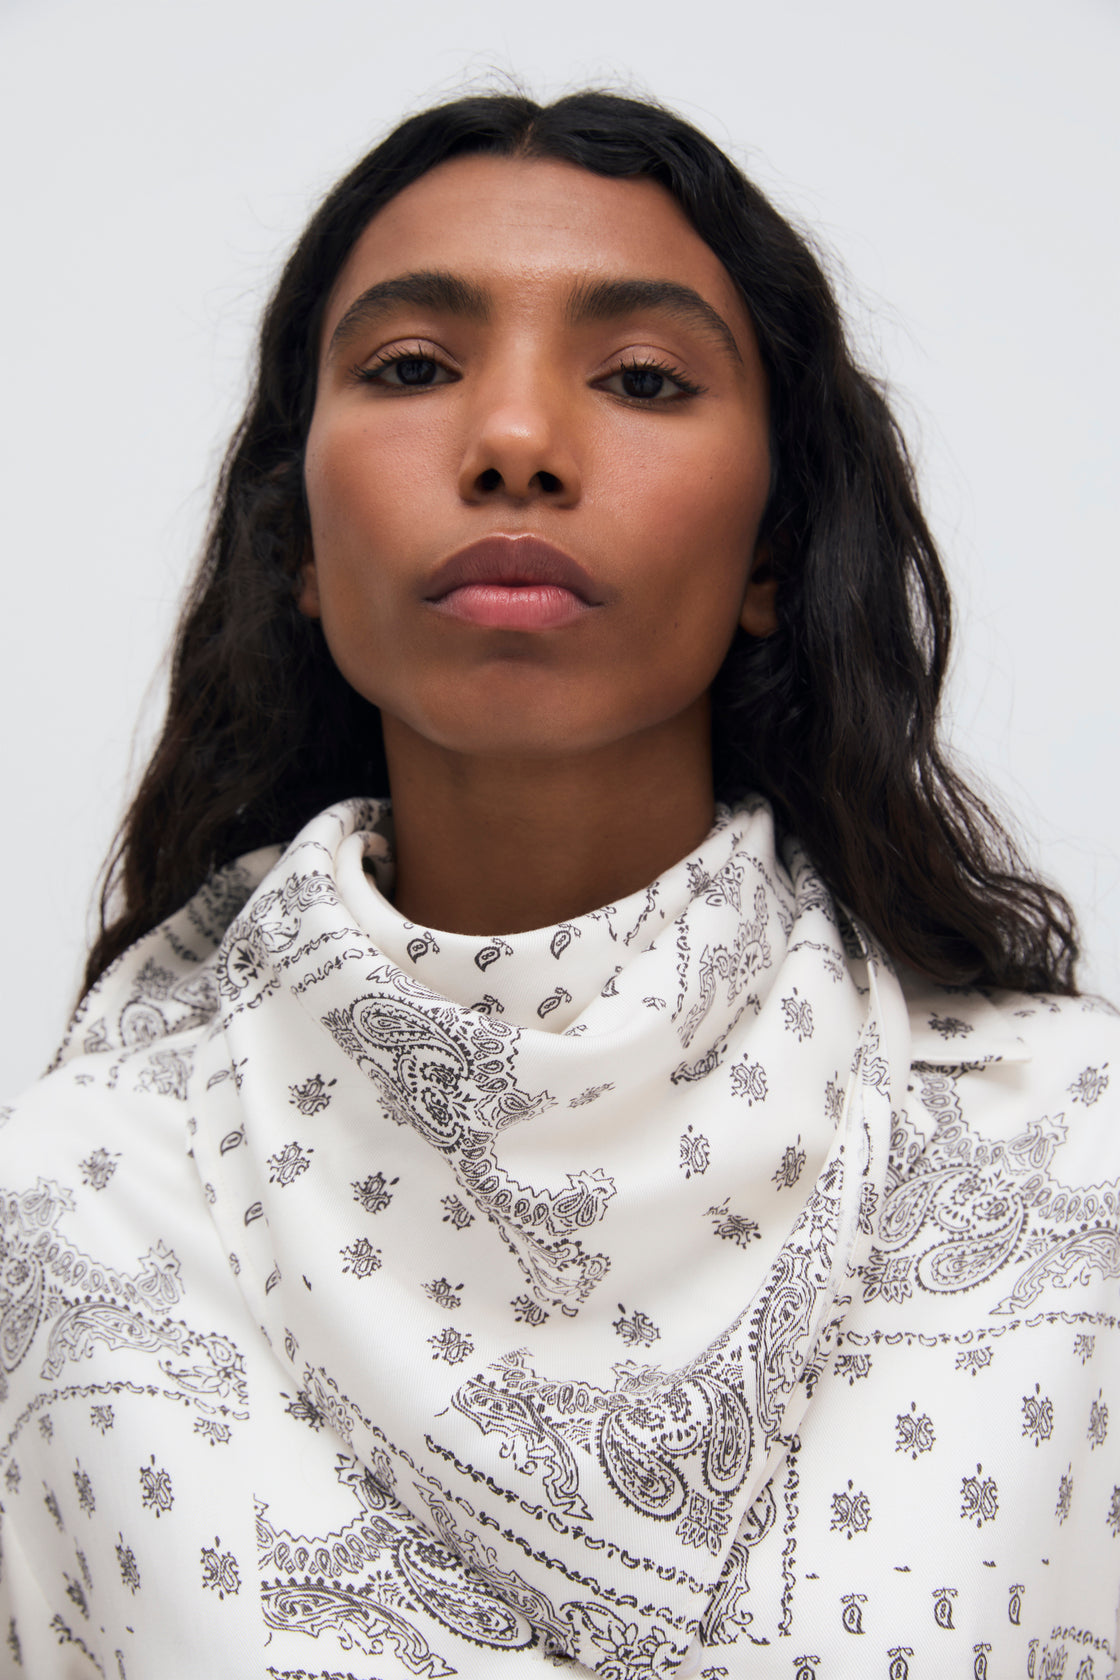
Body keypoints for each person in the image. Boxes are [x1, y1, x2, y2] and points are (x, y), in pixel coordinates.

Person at [0, 89, 1116, 1680]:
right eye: (411, 368)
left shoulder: (1078, 1169)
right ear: (297, 543)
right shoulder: (69, 1215)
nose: (516, 441)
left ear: (774, 554)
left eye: (643, 379)